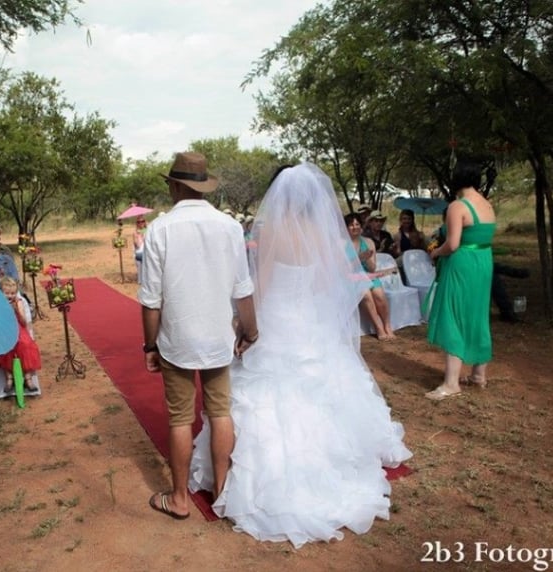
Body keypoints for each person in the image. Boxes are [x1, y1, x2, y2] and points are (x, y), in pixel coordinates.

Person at [188, 163, 412, 546]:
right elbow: (327, 285)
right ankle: (328, 463)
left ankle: (262, 479)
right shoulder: (322, 232)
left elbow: (261, 287)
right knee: (321, 394)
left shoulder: (273, 230)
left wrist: (244, 326)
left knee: (264, 396)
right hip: (310, 323)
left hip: (276, 319)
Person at [139, 151, 258, 520]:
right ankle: (221, 491)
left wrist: (150, 345)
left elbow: (151, 300)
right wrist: (251, 331)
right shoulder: (230, 227)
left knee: (180, 417)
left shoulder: (159, 229)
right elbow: (243, 290)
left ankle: (179, 498)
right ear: (203, 187)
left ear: (175, 186)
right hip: (219, 339)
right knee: (220, 411)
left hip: (176, 339)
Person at [426, 158, 496, 400]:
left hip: (462, 264)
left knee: (453, 315)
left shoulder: (458, 206)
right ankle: (478, 375)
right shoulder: (487, 204)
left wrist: (436, 252)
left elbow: (453, 244)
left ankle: (451, 383)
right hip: (483, 262)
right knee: (478, 314)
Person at [0, 277, 42, 394]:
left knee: (25, 345)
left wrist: (17, 310)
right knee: (5, 347)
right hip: (3, 330)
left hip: (18, 329)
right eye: (7, 293)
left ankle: (28, 378)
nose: (10, 296)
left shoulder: (19, 301)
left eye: (12, 293)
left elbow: (23, 322)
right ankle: (9, 378)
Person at [345, 213, 395, 340]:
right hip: (350, 277)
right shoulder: (341, 243)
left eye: (357, 224)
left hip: (367, 275)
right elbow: (341, 269)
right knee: (366, 294)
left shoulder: (368, 242)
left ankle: (387, 325)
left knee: (379, 294)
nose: (355, 227)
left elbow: (372, 268)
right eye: (351, 225)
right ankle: (378, 327)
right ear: (346, 227)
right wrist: (358, 259)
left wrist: (367, 259)